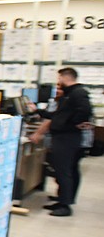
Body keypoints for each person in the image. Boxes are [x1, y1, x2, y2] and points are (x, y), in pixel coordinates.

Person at [30, 67, 93, 216]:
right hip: (63, 137)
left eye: (59, 79)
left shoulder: (78, 93)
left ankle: (65, 206)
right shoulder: (68, 95)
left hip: (67, 139)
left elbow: (85, 111)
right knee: (63, 169)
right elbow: (56, 115)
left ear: (65, 77)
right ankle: (62, 199)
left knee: (64, 170)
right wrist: (37, 111)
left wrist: (73, 124)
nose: (58, 82)